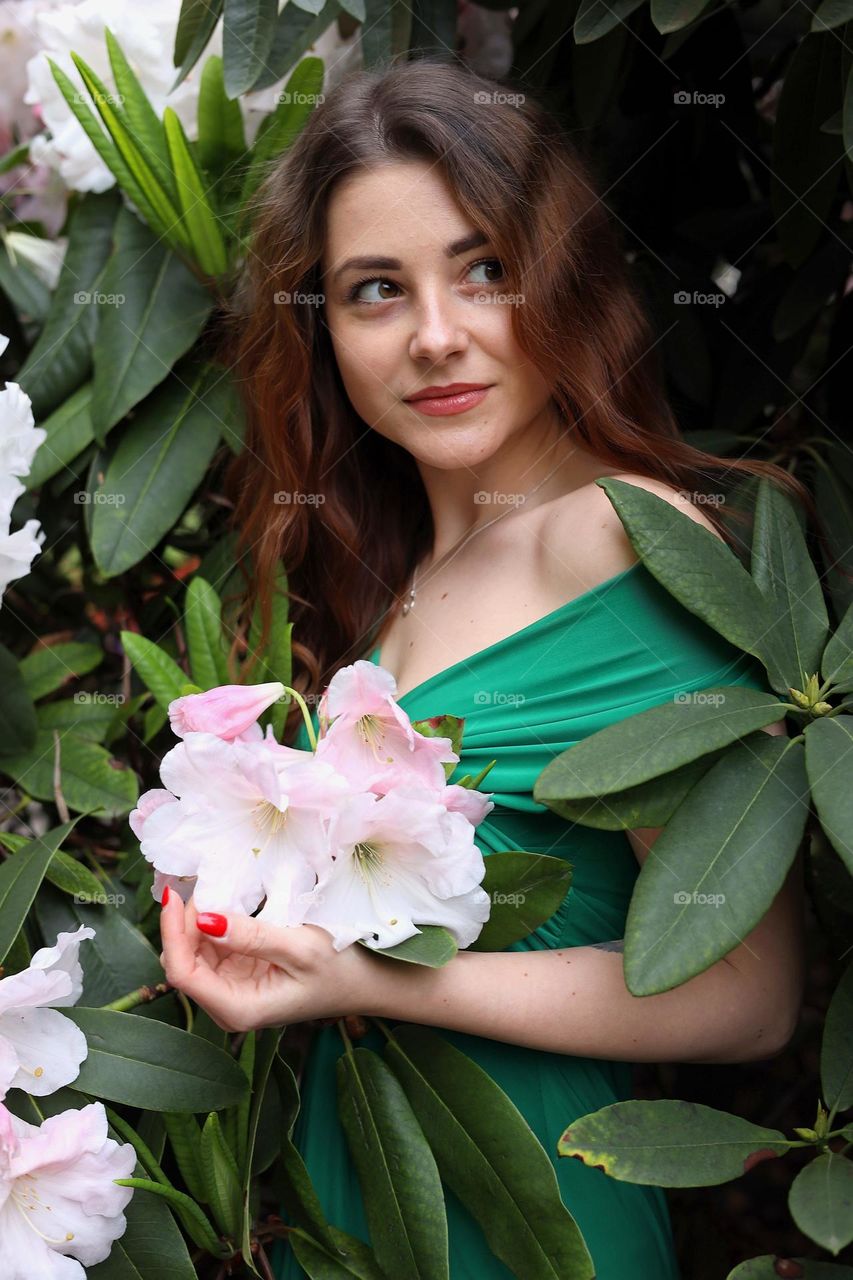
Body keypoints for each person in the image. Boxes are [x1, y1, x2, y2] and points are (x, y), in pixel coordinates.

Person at [159, 56, 808, 1279]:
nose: (437, 336)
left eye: (485, 270)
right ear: (325, 329)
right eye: (374, 291)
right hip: (351, 1212)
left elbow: (743, 990)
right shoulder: (389, 584)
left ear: (561, 280)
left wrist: (366, 981)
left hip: (532, 1224)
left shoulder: (618, 537)